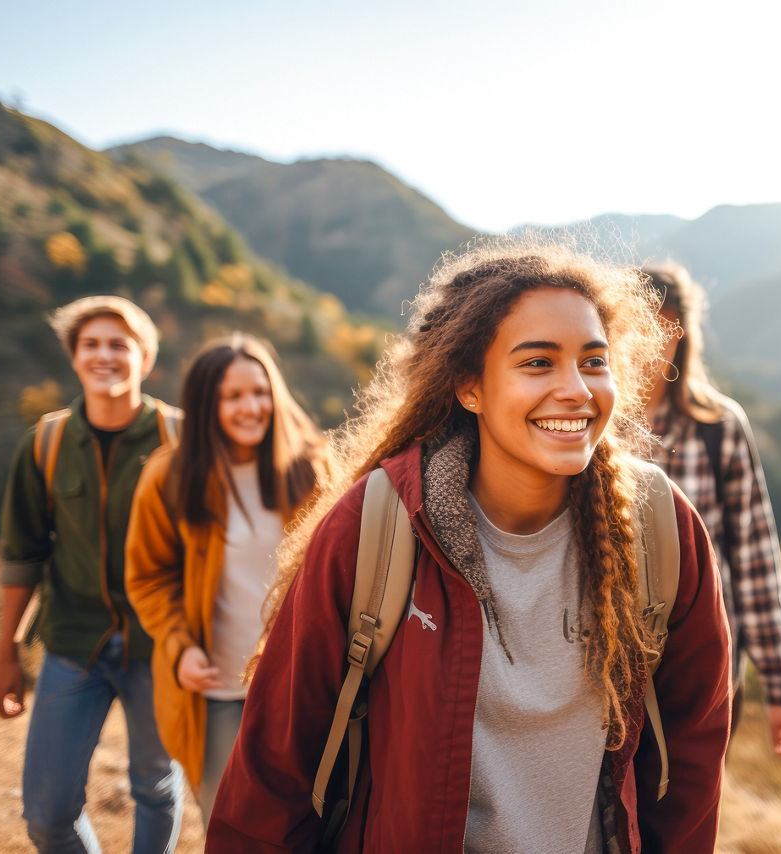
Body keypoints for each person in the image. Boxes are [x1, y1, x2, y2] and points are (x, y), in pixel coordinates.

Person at [206, 241, 732, 853]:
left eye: (593, 361)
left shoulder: (658, 528)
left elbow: (691, 758)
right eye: (537, 363)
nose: (577, 390)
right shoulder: (378, 526)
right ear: (469, 387)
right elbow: (276, 768)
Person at [0, 295, 185, 853]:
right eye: (91, 345)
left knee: (155, 787)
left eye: (119, 345)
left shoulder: (183, 439)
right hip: (73, 643)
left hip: (161, 645)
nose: (105, 356)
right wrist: (7, 652)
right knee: (47, 814)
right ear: (74, 358)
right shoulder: (46, 444)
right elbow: (22, 556)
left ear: (144, 359)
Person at [125, 333, 328, 824]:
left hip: (295, 683)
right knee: (228, 822)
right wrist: (179, 647)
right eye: (232, 396)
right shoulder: (169, 476)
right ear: (204, 404)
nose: (251, 407)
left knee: (301, 823)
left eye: (259, 392)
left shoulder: (310, 469)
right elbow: (148, 577)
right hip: (214, 686)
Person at [641, 262, 781, 756]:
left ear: (683, 336)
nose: (652, 346)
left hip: (705, 674)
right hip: (608, 678)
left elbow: (755, 561)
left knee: (689, 824)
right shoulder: (586, 425)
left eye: (665, 330)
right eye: (640, 328)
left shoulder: (719, 427)